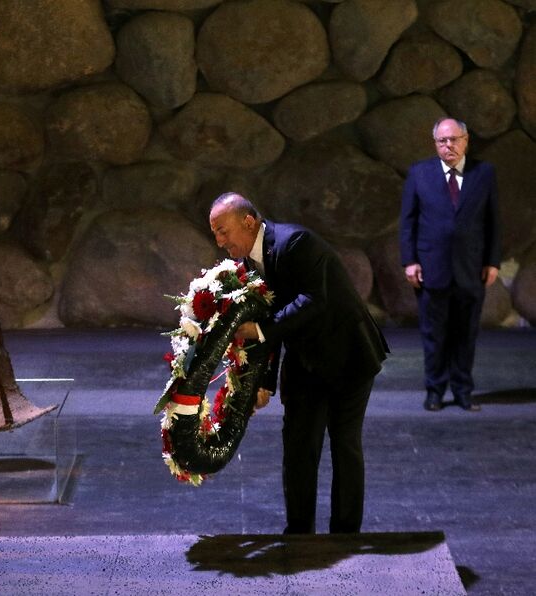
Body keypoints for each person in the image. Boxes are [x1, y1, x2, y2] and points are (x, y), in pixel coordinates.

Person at [209, 192, 389, 535]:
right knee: (298, 448)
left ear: (247, 221)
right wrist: (264, 381)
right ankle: (299, 533)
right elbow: (270, 325)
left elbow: (312, 301)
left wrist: (261, 329)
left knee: (344, 445)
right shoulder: (249, 264)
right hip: (306, 360)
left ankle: (345, 535)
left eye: (222, 230)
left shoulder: (295, 242)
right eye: (215, 233)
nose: (219, 241)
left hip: (348, 356)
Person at [400, 118, 501, 412]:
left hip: (471, 269)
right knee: (434, 334)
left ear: (466, 140)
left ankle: (463, 390)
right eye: (442, 141)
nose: (449, 146)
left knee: (466, 333)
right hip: (431, 269)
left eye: (454, 139)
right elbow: (408, 221)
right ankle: (434, 390)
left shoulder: (484, 173)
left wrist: (492, 261)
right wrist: (410, 261)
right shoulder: (420, 173)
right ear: (436, 144)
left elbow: (494, 221)